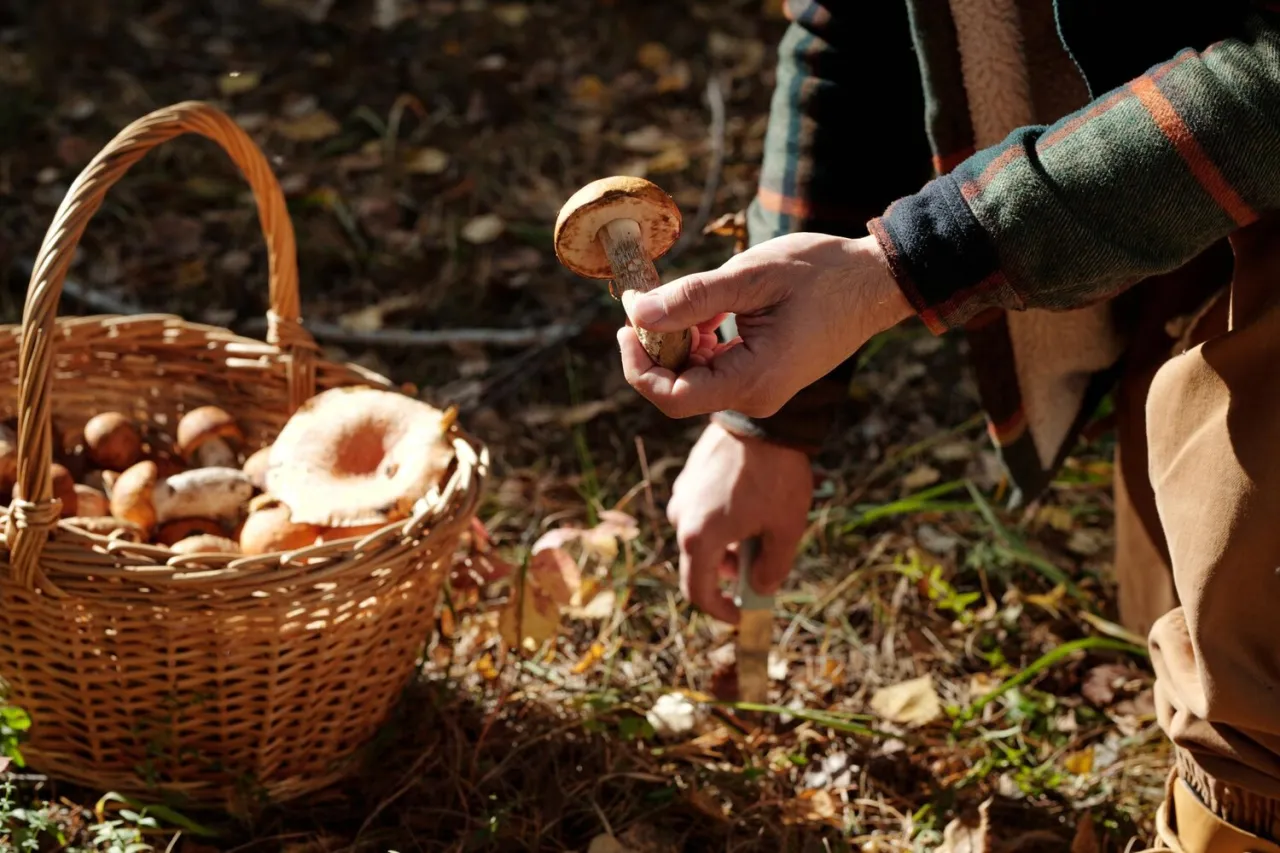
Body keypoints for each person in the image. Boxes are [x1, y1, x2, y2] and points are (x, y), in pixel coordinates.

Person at [618, 1, 1280, 850]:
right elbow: (857, 28)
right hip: (1182, 229)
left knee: (1261, 644)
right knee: (1202, 598)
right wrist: (768, 421)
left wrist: (906, 262)